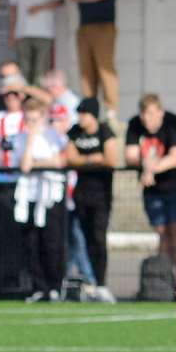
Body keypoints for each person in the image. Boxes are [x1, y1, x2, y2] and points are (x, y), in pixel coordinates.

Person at [125, 93, 176, 286]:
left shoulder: (172, 122)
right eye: (145, 115)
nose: (148, 119)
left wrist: (149, 168)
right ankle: (166, 279)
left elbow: (174, 157)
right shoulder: (134, 124)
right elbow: (130, 156)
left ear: (160, 112)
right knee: (162, 232)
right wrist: (147, 165)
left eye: (153, 114)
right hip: (153, 189)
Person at [11, 96, 68, 303]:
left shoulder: (54, 136)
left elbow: (58, 161)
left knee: (51, 243)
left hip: (50, 197)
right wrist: (31, 141)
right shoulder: (20, 138)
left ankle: (54, 286)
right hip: (30, 197)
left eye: (35, 119)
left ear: (43, 117)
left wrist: (38, 162)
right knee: (31, 244)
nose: (31, 124)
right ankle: (39, 287)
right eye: (28, 119)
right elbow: (25, 166)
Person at [65, 96, 118, 303]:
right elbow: (70, 158)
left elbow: (111, 159)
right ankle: (86, 282)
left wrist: (84, 160)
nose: (80, 117)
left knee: (98, 238)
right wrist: (93, 158)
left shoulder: (105, 131)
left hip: (101, 195)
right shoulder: (74, 131)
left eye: (83, 113)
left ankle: (101, 282)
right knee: (80, 239)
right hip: (81, 194)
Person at [67, 0, 123, 120]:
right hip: (84, 27)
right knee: (86, 72)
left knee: (105, 69)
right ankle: (90, 112)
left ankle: (111, 112)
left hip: (104, 27)